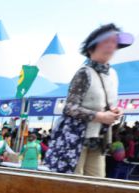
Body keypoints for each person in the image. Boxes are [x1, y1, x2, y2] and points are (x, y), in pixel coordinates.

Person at [45, 24, 133, 177]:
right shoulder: (84, 73)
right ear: (92, 47)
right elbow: (69, 108)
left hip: (99, 139)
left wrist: (116, 111)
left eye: (114, 42)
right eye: (106, 41)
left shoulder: (113, 74)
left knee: (97, 183)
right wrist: (99, 116)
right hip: (75, 138)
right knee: (73, 182)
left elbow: (109, 104)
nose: (111, 46)